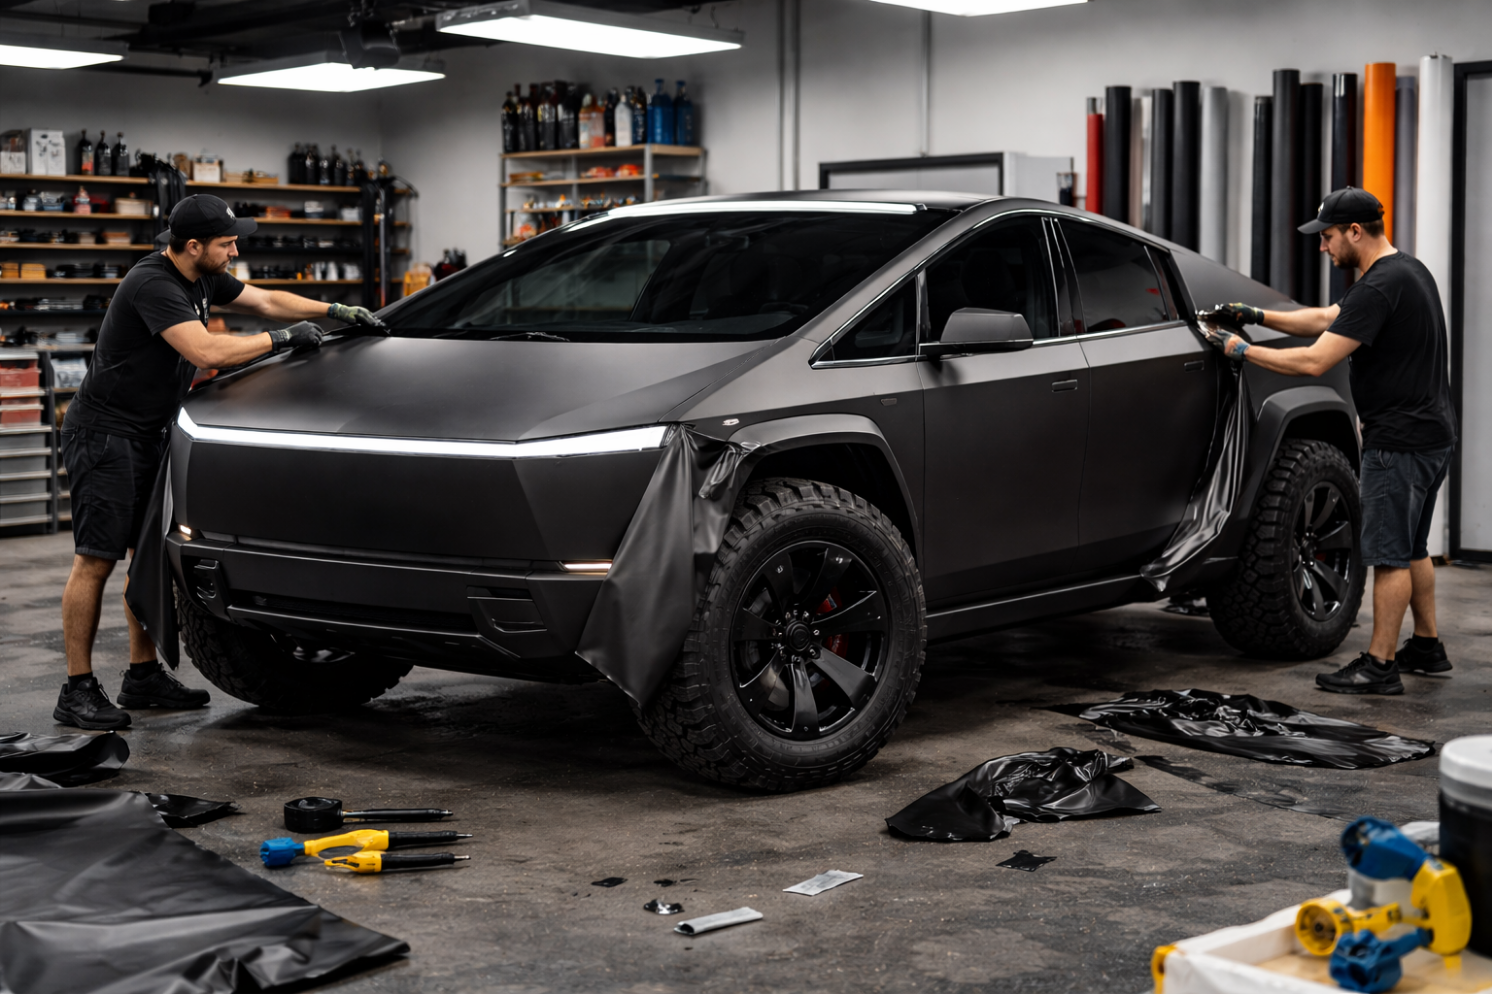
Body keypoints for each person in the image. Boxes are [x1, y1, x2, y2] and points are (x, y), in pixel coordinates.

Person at [55, 194, 384, 729]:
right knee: (95, 559)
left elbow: (268, 300)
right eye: (228, 242)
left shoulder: (203, 275)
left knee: (147, 557)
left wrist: (333, 311)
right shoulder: (153, 284)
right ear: (192, 247)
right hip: (105, 435)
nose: (235, 250)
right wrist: (280, 342)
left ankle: (142, 678)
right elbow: (205, 352)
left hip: (150, 432)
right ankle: (76, 689)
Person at [1203, 186, 1457, 696]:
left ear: (1355, 232)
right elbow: (1324, 318)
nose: (1323, 246)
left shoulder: (1377, 289)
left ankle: (1379, 666)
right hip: (1433, 436)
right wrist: (1255, 316)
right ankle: (1427, 647)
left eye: (1328, 236)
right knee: (1412, 548)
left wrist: (1239, 350)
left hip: (1398, 443)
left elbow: (1314, 360)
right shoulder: (1407, 271)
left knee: (1387, 555)